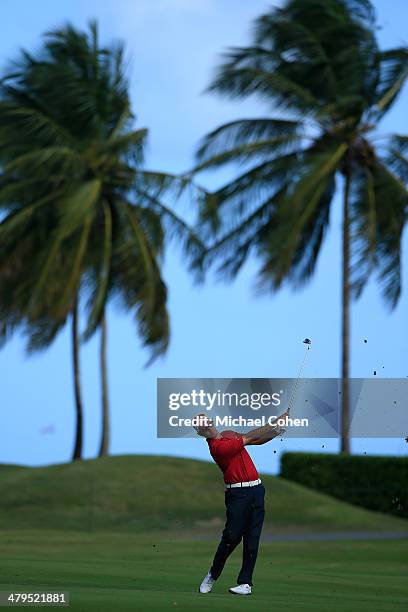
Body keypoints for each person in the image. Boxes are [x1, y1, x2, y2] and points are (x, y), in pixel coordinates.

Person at [194, 411, 287, 596]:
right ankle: (212, 575)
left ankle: (245, 583)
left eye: (207, 422)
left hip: (257, 490)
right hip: (238, 494)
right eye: (201, 426)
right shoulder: (218, 448)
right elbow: (251, 435)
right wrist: (274, 422)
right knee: (231, 537)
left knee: (252, 539)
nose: (206, 426)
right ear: (200, 433)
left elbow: (255, 441)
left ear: (211, 422)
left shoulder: (229, 434)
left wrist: (277, 431)